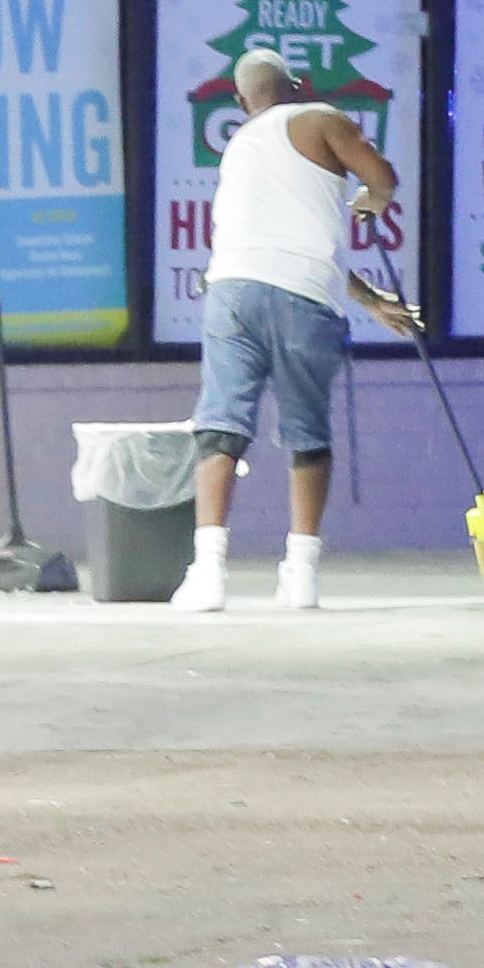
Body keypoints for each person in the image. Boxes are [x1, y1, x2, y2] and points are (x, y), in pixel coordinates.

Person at [172, 48, 418, 612]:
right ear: (297, 84)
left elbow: (277, 246)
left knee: (221, 426)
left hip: (230, 291)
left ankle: (207, 571)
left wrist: (370, 300)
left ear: (241, 103)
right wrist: (372, 199)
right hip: (304, 298)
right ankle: (301, 573)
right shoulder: (320, 117)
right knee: (307, 431)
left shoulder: (236, 150)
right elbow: (382, 179)